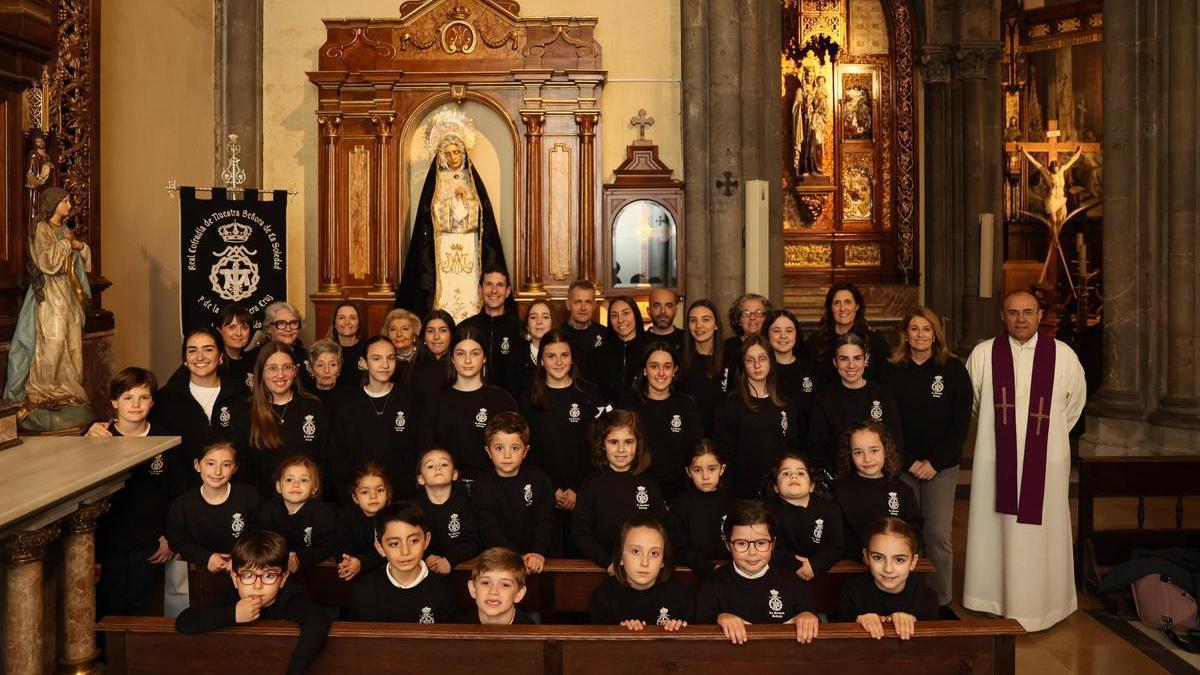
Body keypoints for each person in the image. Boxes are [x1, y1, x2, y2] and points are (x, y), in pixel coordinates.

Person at [963, 290, 1086, 632]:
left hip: (1045, 462)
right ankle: (994, 599)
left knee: (1042, 530)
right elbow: (974, 405)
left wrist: (1045, 440)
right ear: (1002, 316)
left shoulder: (1063, 355)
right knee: (996, 526)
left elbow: (1073, 406)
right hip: (995, 460)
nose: (1021, 319)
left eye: (1028, 312)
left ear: (1040, 314)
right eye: (1013, 312)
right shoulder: (984, 354)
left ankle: (1046, 603)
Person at [883, 307, 971, 610]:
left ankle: (941, 599)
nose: (920, 335)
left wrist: (934, 462)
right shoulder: (891, 370)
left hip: (940, 467)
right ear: (905, 334)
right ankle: (907, 595)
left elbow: (959, 425)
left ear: (936, 334)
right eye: (914, 329)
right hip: (902, 465)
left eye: (926, 329)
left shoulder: (954, 369)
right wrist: (907, 462)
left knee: (936, 533)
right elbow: (888, 425)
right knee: (903, 531)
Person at [395, 110, 508, 323]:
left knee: (469, 293)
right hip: (443, 249)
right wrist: (454, 205)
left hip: (469, 248)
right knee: (444, 293)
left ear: (464, 152)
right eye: (448, 153)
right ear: (441, 155)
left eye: (456, 152)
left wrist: (465, 206)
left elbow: (481, 218)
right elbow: (432, 216)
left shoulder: (472, 181)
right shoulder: (437, 183)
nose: (453, 157)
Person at [89, 368, 180, 618]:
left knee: (140, 605)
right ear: (114, 401)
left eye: (143, 397)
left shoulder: (165, 439)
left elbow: (175, 493)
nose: (136, 404)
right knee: (108, 607)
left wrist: (168, 536)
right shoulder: (99, 437)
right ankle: (109, 658)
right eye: (128, 397)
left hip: (150, 542)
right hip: (109, 544)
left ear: (152, 401)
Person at [175, 530, 330, 675]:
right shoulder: (230, 595)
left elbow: (318, 622)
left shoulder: (293, 597)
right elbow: (184, 621)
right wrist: (233, 614)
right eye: (248, 575)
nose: (258, 585)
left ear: (283, 579)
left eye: (269, 576)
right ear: (235, 579)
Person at [4, 187, 93, 430]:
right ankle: (43, 391)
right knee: (52, 341)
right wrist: (66, 243)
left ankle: (68, 388)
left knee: (72, 340)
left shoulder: (64, 229)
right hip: (50, 293)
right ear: (53, 204)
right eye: (65, 202)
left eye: (69, 201)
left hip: (68, 293)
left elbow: (81, 262)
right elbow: (47, 262)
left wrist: (79, 247)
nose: (69, 206)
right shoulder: (42, 229)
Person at [518, 329, 607, 556]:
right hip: (543, 495)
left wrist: (579, 490)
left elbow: (600, 447)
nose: (558, 362)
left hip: (585, 495)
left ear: (572, 357)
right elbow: (525, 451)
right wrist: (551, 489)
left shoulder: (590, 394)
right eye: (551, 356)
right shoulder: (528, 398)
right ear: (541, 360)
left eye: (564, 355)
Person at [695, 500, 820, 645]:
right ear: (728, 545)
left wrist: (807, 616)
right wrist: (720, 618)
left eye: (761, 543)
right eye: (741, 543)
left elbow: (810, 616)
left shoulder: (791, 580)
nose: (752, 553)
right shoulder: (712, 583)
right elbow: (700, 636)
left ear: (772, 544)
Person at [417, 325, 518, 488]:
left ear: (484, 357)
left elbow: (514, 451)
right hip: (447, 490)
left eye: (475, 353)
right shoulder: (436, 401)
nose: (468, 360)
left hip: (493, 489)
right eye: (461, 353)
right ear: (452, 358)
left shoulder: (501, 400)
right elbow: (425, 450)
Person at [573, 410, 668, 569]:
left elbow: (661, 527)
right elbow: (580, 532)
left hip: (643, 566)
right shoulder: (591, 484)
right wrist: (607, 563)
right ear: (602, 444)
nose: (621, 449)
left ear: (638, 444)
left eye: (628, 442)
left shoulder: (649, 482)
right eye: (613, 442)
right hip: (604, 566)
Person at [233, 342, 329, 498]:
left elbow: (325, 459)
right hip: (263, 505)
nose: (280, 375)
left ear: (295, 371)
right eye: (272, 368)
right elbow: (241, 466)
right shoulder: (245, 412)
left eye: (287, 367)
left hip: (308, 501)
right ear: (261, 373)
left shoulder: (313, 407)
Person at [332, 336, 420, 501]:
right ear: (364, 363)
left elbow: (417, 448)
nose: (385, 365)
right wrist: (351, 494)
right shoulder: (348, 404)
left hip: (402, 495)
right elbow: (339, 457)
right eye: (376, 358)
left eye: (390, 358)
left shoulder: (410, 399)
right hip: (361, 497)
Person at [712, 336, 801, 499]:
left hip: (780, 493)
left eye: (762, 358)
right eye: (750, 360)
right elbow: (723, 457)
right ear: (743, 365)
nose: (757, 365)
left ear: (771, 362)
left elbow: (792, 449)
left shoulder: (786, 404)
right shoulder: (729, 406)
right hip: (742, 494)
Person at [806, 332, 903, 476]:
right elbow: (817, 447)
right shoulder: (824, 398)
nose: (851, 365)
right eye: (844, 359)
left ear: (866, 360)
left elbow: (895, 441)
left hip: (880, 476)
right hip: (839, 479)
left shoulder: (883, 395)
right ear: (835, 362)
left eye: (857, 358)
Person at [470, 412, 556, 573]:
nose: (507, 455)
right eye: (499, 448)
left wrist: (537, 552)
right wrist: (516, 558)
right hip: (500, 562)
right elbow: (489, 530)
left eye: (515, 448)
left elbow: (545, 520)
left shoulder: (540, 479)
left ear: (525, 451)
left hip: (537, 561)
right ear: (488, 451)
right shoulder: (481, 487)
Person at [348, 502, 460, 623]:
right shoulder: (364, 590)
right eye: (394, 544)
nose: (405, 552)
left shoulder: (442, 590)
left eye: (414, 541)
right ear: (380, 547)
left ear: (426, 541)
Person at [165, 440, 262, 575]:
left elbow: (261, 533)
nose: (217, 471)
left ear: (235, 468)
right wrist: (206, 558)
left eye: (226, 465)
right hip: (201, 571)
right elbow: (177, 542)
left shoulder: (248, 496)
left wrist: (242, 557)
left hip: (247, 568)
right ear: (197, 465)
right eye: (210, 463)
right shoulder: (181, 506)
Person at [831, 421, 921, 560]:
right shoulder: (839, 490)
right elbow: (837, 535)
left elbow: (915, 530)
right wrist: (867, 555)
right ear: (849, 454)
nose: (867, 459)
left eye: (874, 450)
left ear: (886, 450)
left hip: (894, 566)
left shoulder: (903, 490)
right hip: (853, 565)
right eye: (858, 452)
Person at [838, 517, 938, 639]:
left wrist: (915, 625)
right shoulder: (852, 592)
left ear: (913, 562)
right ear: (866, 557)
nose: (888, 569)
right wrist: (857, 623)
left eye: (899, 560)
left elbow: (930, 648)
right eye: (878, 558)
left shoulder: (927, 599)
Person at [588, 515, 694, 630]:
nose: (645, 563)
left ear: (663, 560)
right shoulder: (603, 598)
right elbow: (598, 646)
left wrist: (677, 633)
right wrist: (619, 634)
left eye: (654, 553)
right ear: (621, 557)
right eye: (635, 551)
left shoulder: (682, 597)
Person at [629, 342, 703, 500]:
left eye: (667, 366)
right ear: (644, 370)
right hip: (637, 490)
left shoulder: (687, 406)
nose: (661, 373)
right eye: (654, 366)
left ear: (675, 370)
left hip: (680, 493)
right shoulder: (630, 408)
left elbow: (695, 453)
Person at [766, 453, 843, 580]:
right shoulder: (766, 511)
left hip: (822, 575)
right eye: (785, 473)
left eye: (801, 473)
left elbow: (837, 547)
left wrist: (815, 565)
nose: (793, 476)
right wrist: (796, 564)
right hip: (779, 575)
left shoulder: (830, 509)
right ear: (775, 487)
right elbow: (766, 548)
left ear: (812, 486)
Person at [256, 455, 336, 573]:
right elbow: (262, 541)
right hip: (274, 568)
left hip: (314, 570)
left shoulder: (323, 512)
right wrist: (281, 558)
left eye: (303, 480)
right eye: (289, 479)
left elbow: (328, 544)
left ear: (314, 488)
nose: (296, 484)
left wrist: (299, 558)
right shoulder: (268, 510)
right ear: (279, 486)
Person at [667, 440, 733, 575]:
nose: (705, 476)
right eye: (697, 470)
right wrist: (706, 567)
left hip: (729, 570)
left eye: (712, 469)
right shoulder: (680, 504)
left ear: (722, 469)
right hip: (693, 571)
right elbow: (677, 547)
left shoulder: (733, 503)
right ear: (688, 472)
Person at [803, 282, 891, 384]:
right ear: (830, 308)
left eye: (848, 302)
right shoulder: (815, 342)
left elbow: (886, 381)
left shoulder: (875, 341)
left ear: (857, 306)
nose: (842, 308)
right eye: (836, 303)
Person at [415, 448, 481, 574]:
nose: (438, 468)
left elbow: (474, 542)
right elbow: (409, 539)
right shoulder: (413, 508)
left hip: (457, 567)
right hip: (422, 569)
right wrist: (425, 556)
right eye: (430, 466)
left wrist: (449, 560)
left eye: (444, 464)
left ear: (454, 474)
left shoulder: (465, 504)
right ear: (420, 479)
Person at [461, 267, 523, 392]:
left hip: (510, 402)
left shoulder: (520, 329)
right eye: (489, 284)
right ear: (480, 289)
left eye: (499, 285)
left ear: (507, 291)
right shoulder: (465, 327)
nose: (494, 291)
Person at [333, 462, 390, 582]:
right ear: (355, 498)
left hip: (388, 571)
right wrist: (346, 562)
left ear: (387, 493)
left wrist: (362, 563)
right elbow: (340, 547)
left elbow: (390, 553)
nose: (373, 496)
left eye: (379, 490)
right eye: (365, 492)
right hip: (358, 574)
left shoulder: (393, 517)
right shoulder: (346, 517)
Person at [765, 309, 822, 427]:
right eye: (776, 331)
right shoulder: (760, 370)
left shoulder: (812, 369)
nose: (783, 336)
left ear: (796, 334)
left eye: (789, 331)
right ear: (767, 334)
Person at [679, 299, 728, 431]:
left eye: (705, 320)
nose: (698, 326)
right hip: (689, 432)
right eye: (693, 320)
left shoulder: (730, 356)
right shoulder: (678, 358)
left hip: (722, 433)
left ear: (716, 324)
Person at [590, 297, 648, 406]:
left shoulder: (650, 351)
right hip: (610, 418)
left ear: (635, 314)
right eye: (614, 315)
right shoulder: (599, 353)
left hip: (644, 415)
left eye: (625, 313)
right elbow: (594, 390)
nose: (620, 320)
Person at [465, 547, 537, 624]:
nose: (493, 591)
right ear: (473, 589)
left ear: (519, 593)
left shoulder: (529, 632)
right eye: (485, 583)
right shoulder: (459, 626)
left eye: (505, 585)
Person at [244, 301, 308, 378]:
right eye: (281, 323)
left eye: (293, 323)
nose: (288, 328)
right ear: (269, 328)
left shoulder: (306, 356)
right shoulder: (254, 357)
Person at [506, 298, 555, 399]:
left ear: (552, 323)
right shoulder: (515, 357)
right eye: (533, 317)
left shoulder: (563, 354)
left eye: (545, 317)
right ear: (527, 326)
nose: (539, 322)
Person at [560, 279, 606, 376]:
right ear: (568, 305)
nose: (583, 308)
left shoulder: (605, 334)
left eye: (588, 302)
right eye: (578, 302)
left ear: (594, 305)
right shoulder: (558, 334)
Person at [409, 310, 455, 399]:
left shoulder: (460, 365)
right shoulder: (414, 365)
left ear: (452, 335)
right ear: (424, 336)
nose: (436, 337)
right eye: (430, 331)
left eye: (443, 331)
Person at [215, 303, 254, 389]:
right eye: (232, 327)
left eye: (244, 328)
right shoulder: (212, 363)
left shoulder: (255, 361)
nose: (239, 333)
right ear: (219, 331)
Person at [328, 301, 365, 387]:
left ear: (359, 324)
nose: (347, 322)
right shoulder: (325, 351)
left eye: (352, 318)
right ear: (334, 323)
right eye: (341, 318)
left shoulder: (368, 350)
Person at [305, 339, 346, 416]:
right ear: (311, 369)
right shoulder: (303, 397)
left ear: (339, 367)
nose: (327, 371)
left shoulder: (351, 397)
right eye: (320, 365)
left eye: (332, 364)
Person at [382, 307, 422, 378]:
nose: (399, 334)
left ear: (414, 335)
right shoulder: (381, 359)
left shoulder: (424, 359)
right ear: (387, 335)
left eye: (405, 329)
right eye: (393, 329)